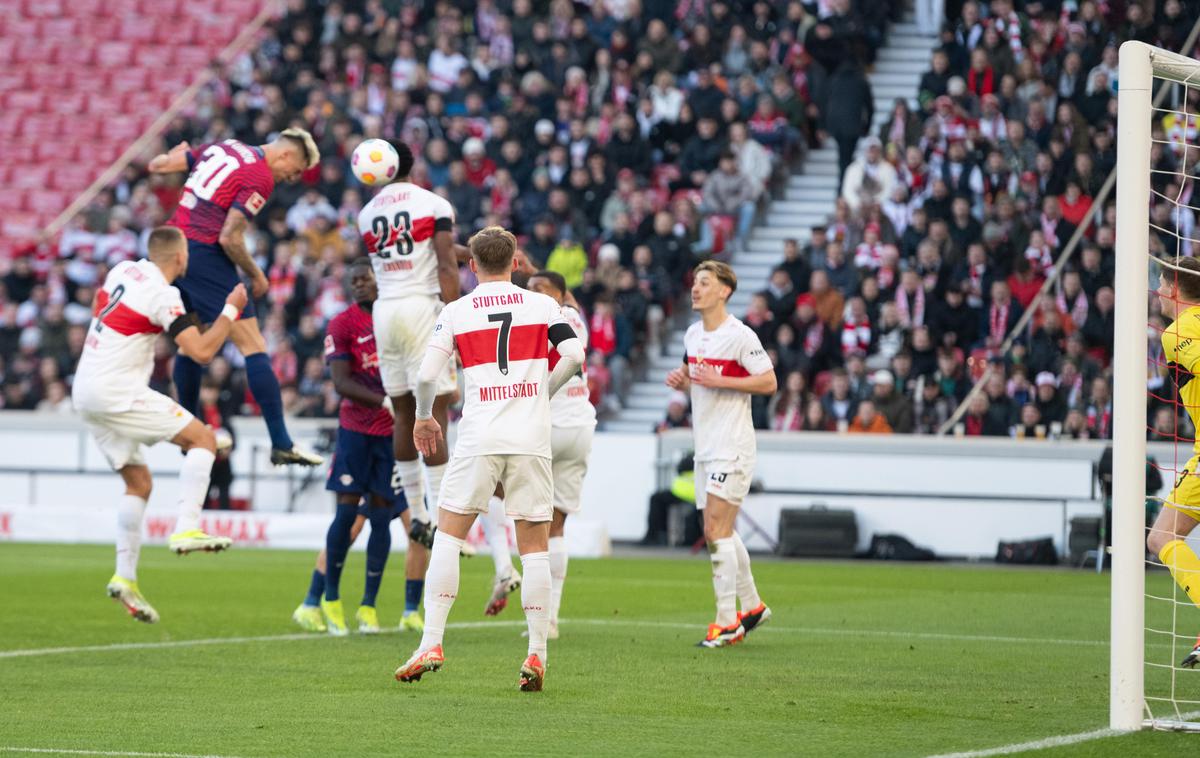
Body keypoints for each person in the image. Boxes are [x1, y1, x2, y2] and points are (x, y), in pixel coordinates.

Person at [393, 227, 585, 692]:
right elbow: (575, 355)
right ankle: (537, 654)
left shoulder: (456, 311)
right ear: (516, 262)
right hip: (530, 438)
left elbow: (426, 376)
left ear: (471, 265)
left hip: (480, 436)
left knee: (449, 535)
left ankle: (431, 642)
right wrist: (542, 390)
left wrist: (423, 418)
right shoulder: (542, 305)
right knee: (534, 545)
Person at [72, 227, 248, 623]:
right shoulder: (162, 293)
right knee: (205, 439)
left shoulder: (122, 270)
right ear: (180, 258)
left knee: (139, 484)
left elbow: (101, 313)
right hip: (117, 389)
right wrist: (231, 309)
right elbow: (201, 352)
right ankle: (187, 527)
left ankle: (125, 576)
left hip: (85, 388)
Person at [149, 131, 323, 467]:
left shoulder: (223, 146)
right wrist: (257, 274)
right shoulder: (260, 175)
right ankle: (281, 442)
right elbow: (230, 237)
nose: (294, 178)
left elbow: (158, 165)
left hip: (174, 248)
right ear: (287, 155)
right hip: (205, 252)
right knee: (253, 346)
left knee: (189, 344)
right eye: (298, 169)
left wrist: (172, 153)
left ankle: (190, 433)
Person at [290, 261, 429, 636]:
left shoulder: (397, 320)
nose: (358, 286)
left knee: (383, 519)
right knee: (347, 516)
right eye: (353, 281)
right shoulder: (343, 324)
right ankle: (329, 598)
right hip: (355, 430)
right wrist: (384, 402)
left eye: (365, 279)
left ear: (380, 280)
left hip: (393, 436)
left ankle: (369, 607)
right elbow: (340, 382)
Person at [665, 260, 775, 649]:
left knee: (714, 531)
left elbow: (768, 380)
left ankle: (727, 623)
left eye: (705, 282)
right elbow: (691, 374)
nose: (696, 288)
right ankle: (753, 606)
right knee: (721, 531)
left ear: (724, 291)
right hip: (705, 447)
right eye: (695, 282)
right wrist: (681, 379)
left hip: (732, 445)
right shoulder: (693, 334)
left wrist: (721, 379)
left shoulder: (740, 335)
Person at [357, 141, 462, 547]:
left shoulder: (367, 214)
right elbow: (443, 261)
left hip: (385, 310)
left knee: (403, 412)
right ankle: (441, 517)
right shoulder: (434, 204)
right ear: (410, 164)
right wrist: (456, 315)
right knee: (435, 407)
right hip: (422, 306)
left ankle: (417, 512)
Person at [527, 270, 597, 638]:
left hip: (550, 426)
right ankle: (550, 619)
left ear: (562, 294)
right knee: (556, 526)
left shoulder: (545, 317)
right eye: (530, 289)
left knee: (519, 510)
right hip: (581, 426)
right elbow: (549, 286)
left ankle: (504, 572)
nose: (533, 293)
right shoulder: (575, 318)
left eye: (540, 289)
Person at [1147, 257, 1200, 668]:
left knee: (1161, 537)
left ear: (1174, 289)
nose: (1157, 291)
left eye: (1161, 283)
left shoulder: (1178, 331)